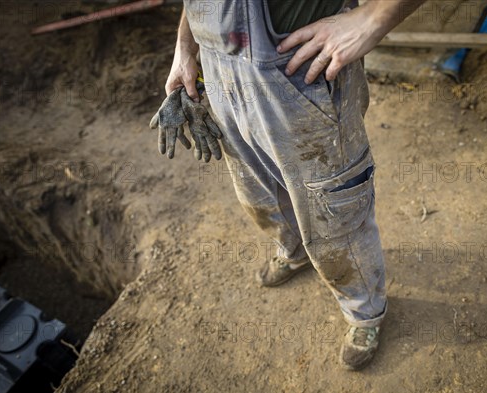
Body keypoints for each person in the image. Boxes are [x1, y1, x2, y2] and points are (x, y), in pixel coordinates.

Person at [151, 0, 426, 371]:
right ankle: (294, 250)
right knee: (258, 192)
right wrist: (186, 49)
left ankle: (365, 312)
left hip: (299, 75)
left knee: (334, 216)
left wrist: (373, 20)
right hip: (217, 73)